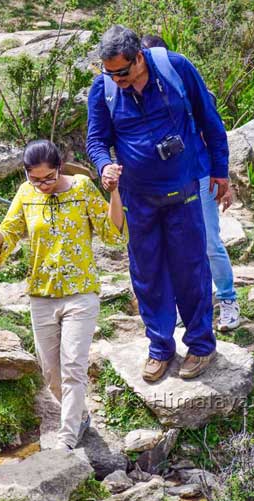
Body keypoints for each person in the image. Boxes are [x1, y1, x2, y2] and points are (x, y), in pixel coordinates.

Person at [86, 25, 230, 382]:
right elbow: (96, 139)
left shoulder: (176, 68)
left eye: (122, 71)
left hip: (184, 191)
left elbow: (210, 119)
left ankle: (200, 345)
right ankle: (160, 348)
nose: (116, 78)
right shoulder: (103, 89)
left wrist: (220, 170)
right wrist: (104, 166)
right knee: (147, 274)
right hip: (139, 199)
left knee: (191, 269)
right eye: (109, 72)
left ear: (139, 57)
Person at [0, 139, 127, 451]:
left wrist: (114, 192)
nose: (42, 185)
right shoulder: (25, 194)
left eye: (48, 178)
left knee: (73, 367)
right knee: (51, 373)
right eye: (35, 179)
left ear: (59, 168)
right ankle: (80, 416)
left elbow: (112, 233)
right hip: (41, 295)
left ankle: (66, 439)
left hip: (80, 293)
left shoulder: (82, 188)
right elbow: (7, 236)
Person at [140, 34, 240, 331]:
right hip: (169, 180)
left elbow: (212, 132)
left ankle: (228, 299)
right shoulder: (138, 97)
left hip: (201, 174)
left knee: (209, 241)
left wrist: (224, 177)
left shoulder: (188, 87)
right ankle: (194, 303)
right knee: (180, 246)